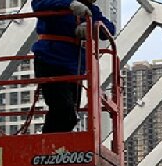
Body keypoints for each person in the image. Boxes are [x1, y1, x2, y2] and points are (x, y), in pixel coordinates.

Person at [31, 0, 116, 133]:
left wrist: (91, 26)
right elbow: (38, 4)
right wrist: (68, 4)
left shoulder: (91, 10)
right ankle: (48, 146)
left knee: (66, 112)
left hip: (73, 67)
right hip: (51, 60)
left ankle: (50, 144)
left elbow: (110, 29)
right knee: (64, 111)